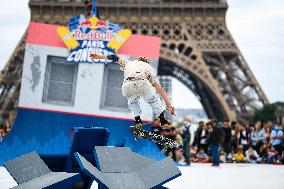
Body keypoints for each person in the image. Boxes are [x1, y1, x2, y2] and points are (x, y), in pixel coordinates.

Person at [90, 53, 176, 129]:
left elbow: (113, 57)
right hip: (142, 82)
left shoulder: (128, 62)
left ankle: (138, 121)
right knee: (153, 100)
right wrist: (169, 106)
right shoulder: (148, 67)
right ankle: (162, 120)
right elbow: (160, 90)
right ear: (146, 62)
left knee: (132, 101)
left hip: (127, 84)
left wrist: (99, 56)